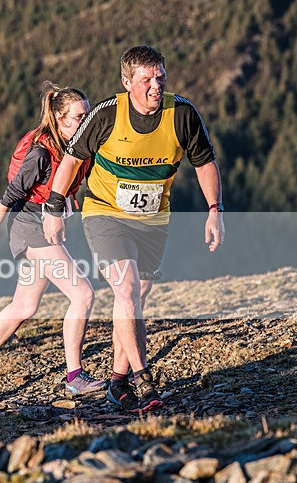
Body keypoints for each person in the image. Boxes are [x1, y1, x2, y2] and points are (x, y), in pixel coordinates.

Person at [43, 45, 225, 413]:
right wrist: (54, 207)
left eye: (160, 78)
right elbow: (71, 159)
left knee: (134, 297)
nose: (155, 86)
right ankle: (145, 382)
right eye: (146, 80)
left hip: (154, 219)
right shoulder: (107, 114)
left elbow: (204, 163)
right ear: (127, 83)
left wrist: (215, 210)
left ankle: (117, 380)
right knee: (125, 288)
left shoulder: (183, 114)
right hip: (105, 213)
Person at [0, 82, 101, 401]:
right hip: (30, 227)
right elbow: (8, 198)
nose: (86, 121)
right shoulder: (40, 153)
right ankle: (74, 376)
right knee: (82, 294)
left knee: (25, 305)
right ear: (59, 117)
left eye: (87, 114)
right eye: (79, 117)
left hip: (39, 227)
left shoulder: (74, 145)